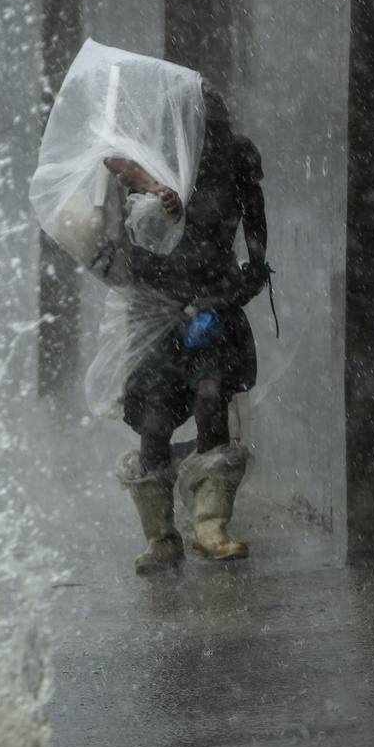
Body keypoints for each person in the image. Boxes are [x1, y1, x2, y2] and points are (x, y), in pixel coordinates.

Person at [104, 83, 271, 574]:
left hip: (213, 305)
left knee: (210, 397)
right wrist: (153, 193)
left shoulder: (236, 158)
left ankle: (211, 525)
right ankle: (161, 537)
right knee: (154, 422)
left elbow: (256, 229)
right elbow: (125, 233)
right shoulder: (144, 165)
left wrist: (246, 276)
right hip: (156, 310)